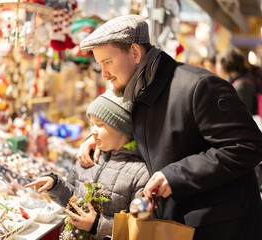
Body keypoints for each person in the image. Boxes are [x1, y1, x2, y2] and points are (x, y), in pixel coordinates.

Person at [77, 14, 262, 240]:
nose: (104, 73)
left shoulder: (199, 86)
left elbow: (248, 146)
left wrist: (175, 176)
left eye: (108, 62)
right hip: (178, 225)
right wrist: (94, 138)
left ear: (135, 53)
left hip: (221, 227)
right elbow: (124, 124)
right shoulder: (138, 93)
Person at [25, 91, 149, 240]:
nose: (92, 131)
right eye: (91, 124)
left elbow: (140, 226)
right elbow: (71, 200)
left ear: (122, 127)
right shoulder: (88, 157)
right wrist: (54, 184)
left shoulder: (140, 172)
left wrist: (98, 224)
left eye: (100, 125)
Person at [216, 47, 258, 115]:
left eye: (218, 64)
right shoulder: (238, 83)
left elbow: (244, 114)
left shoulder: (243, 85)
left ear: (225, 66)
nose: (217, 69)